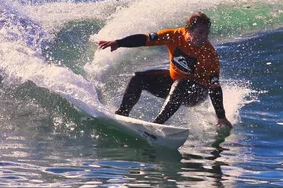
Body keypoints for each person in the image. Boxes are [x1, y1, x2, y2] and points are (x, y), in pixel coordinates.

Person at [98, 12, 233, 128]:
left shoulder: (209, 54)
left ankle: (157, 125)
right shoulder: (174, 36)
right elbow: (145, 39)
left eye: (206, 33)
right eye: (200, 33)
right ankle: (123, 113)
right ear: (189, 30)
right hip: (175, 82)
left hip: (196, 92)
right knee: (137, 78)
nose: (204, 37)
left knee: (181, 84)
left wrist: (221, 116)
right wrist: (118, 43)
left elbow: (214, 87)